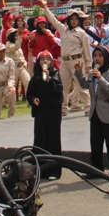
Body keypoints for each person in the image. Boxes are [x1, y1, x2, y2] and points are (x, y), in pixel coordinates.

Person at [75, 45, 109, 175]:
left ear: (106, 58)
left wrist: (101, 78)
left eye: (100, 56)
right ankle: (96, 170)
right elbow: (85, 84)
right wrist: (79, 73)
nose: (97, 58)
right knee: (95, 143)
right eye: (95, 56)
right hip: (95, 113)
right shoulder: (92, 72)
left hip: (108, 113)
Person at [41, 0, 92, 116]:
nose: (74, 21)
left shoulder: (81, 33)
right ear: (68, 20)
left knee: (81, 85)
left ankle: (88, 108)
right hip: (64, 61)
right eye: (72, 19)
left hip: (77, 61)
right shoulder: (63, 30)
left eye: (76, 19)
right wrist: (45, 6)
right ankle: (63, 108)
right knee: (63, 86)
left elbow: (86, 49)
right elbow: (53, 20)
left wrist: (88, 63)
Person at [26, 50, 64, 180]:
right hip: (41, 113)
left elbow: (58, 93)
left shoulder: (55, 74)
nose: (45, 61)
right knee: (40, 140)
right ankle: (40, 170)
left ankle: (54, 171)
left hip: (53, 113)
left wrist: (49, 80)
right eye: (42, 59)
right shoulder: (35, 78)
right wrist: (33, 99)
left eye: (48, 59)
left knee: (53, 140)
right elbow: (30, 93)